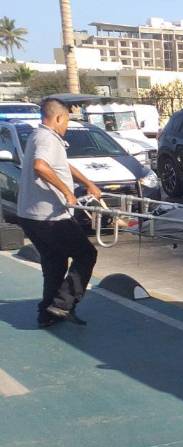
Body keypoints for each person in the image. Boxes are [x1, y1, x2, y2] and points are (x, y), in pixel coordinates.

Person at [16, 98, 102, 328]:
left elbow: (61, 165)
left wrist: (88, 182)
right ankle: (62, 304)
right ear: (58, 118)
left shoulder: (39, 135)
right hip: (49, 217)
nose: (67, 127)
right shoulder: (48, 138)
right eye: (67, 122)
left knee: (55, 263)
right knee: (86, 254)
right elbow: (40, 166)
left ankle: (48, 314)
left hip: (30, 215)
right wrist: (67, 192)